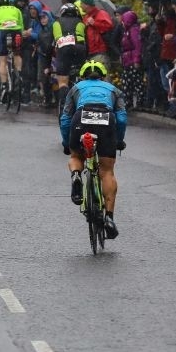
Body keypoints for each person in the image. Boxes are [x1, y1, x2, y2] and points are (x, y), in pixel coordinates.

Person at [59, 60, 128, 240]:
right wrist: (119, 140)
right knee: (106, 171)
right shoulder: (114, 90)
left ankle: (76, 175)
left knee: (76, 156)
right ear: (103, 75)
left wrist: (67, 143)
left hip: (81, 118)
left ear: (83, 76)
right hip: (106, 120)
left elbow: (65, 117)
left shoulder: (76, 88)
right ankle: (109, 218)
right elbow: (121, 118)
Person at [78, 0, 115, 68]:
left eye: (81, 3)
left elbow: (109, 27)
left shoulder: (101, 13)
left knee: (103, 78)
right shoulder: (85, 17)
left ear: (87, 5)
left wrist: (94, 23)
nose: (80, 6)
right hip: (89, 54)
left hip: (100, 53)